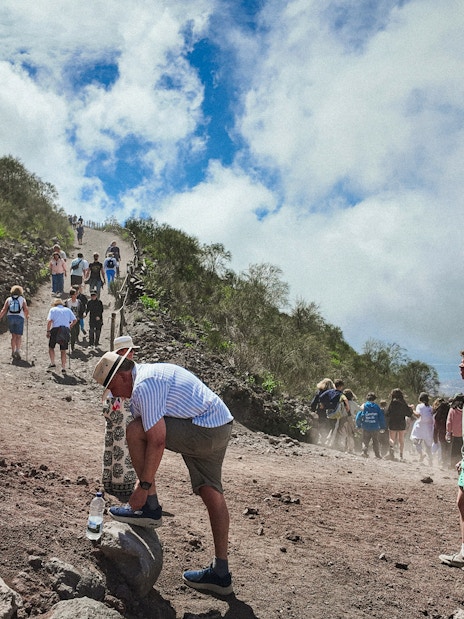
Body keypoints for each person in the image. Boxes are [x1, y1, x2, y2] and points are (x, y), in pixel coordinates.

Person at [93, 352, 234, 595]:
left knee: (136, 430)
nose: (113, 394)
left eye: (112, 386)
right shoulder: (147, 378)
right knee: (211, 491)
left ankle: (149, 506)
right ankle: (221, 573)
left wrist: (142, 488)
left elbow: (156, 440)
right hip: (219, 424)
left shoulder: (144, 386)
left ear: (124, 376)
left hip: (204, 429)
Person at [102, 336, 138, 500]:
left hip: (114, 406)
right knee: (122, 443)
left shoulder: (112, 366)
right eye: (130, 351)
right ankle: (121, 483)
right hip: (120, 407)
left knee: (117, 442)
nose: (132, 355)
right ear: (123, 352)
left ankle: (114, 482)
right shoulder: (126, 368)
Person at [439, 360, 464, 568]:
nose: (460, 367)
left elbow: (448, 423)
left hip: (457, 441)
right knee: (461, 502)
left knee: (462, 502)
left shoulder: (454, 409)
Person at [46, 298, 78, 374]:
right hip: (65, 330)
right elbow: (75, 320)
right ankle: (63, 367)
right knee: (63, 350)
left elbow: (49, 321)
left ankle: (53, 363)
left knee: (51, 347)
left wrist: (48, 331)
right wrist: (70, 326)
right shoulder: (67, 310)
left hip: (55, 330)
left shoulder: (53, 310)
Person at [0, 285, 29, 360]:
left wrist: (0, 317)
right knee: (18, 336)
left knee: (13, 336)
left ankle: (12, 351)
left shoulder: (9, 299)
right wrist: (27, 316)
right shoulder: (22, 299)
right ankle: (18, 350)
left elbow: (4, 309)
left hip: (10, 317)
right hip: (20, 318)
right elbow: (25, 309)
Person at [356, 392, 386, 459]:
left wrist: (358, 425)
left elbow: (358, 416)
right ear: (374, 399)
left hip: (366, 426)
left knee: (365, 440)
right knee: (375, 441)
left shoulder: (364, 406)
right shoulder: (377, 407)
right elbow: (381, 417)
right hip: (375, 427)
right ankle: (377, 455)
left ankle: (364, 451)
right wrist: (382, 427)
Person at [387, 388, 413, 461]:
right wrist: (410, 408)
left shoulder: (392, 402)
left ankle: (391, 452)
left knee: (391, 438)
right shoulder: (403, 402)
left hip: (392, 422)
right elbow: (409, 413)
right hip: (401, 422)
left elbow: (388, 413)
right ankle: (401, 455)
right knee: (401, 439)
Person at [410, 392, 434, 464]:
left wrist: (412, 410)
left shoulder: (419, 406)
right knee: (428, 445)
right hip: (429, 427)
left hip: (420, 426)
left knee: (415, 440)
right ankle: (430, 459)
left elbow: (418, 415)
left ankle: (421, 453)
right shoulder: (430, 407)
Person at [310, 378, 335, 445]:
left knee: (319, 425)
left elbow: (313, 403)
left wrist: (312, 410)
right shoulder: (333, 393)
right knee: (326, 426)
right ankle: (323, 440)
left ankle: (318, 440)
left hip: (319, 411)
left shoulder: (319, 392)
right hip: (330, 413)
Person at [446, 395, 464, 469]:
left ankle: (452, 464)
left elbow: (449, 422)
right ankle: (461, 465)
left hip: (455, 433)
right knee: (462, 450)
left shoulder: (452, 410)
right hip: (463, 434)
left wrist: (448, 432)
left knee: (453, 451)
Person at [433, 397, 451, 468]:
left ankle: (444, 463)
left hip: (441, 432)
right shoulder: (450, 410)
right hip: (450, 432)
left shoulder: (439, 413)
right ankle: (449, 462)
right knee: (449, 448)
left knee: (443, 448)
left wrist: (434, 437)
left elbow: (436, 426)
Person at [342, 388, 361, 454]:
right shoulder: (353, 403)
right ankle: (350, 449)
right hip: (350, 419)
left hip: (342, 419)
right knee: (350, 434)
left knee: (343, 434)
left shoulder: (342, 403)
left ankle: (342, 447)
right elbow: (360, 409)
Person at [64, 288, 81, 353]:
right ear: (72, 295)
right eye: (75, 294)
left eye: (76, 294)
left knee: (77, 332)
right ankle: (72, 346)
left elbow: (81, 310)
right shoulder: (67, 302)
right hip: (69, 320)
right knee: (73, 333)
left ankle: (73, 340)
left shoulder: (78, 302)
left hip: (76, 319)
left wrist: (80, 316)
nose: (76, 295)